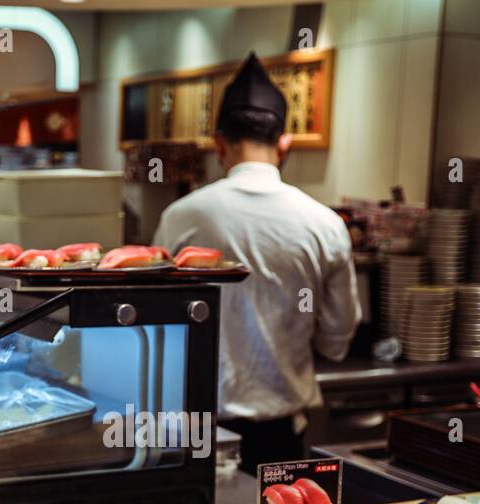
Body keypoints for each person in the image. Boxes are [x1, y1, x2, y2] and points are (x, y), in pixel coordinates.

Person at [153, 52, 360, 471]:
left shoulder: (182, 216)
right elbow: (339, 336)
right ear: (285, 144)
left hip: (195, 428)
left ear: (218, 144)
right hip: (280, 434)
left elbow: (159, 319)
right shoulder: (324, 224)